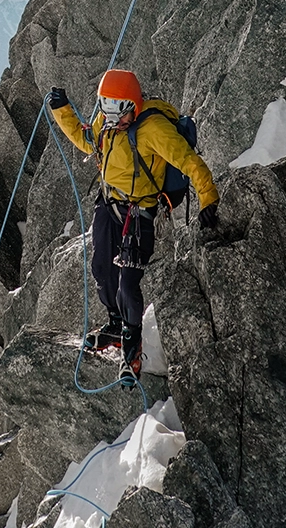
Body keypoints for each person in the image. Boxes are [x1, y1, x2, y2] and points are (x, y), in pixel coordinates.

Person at [47, 68, 219, 380]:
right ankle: (115, 325)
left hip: (139, 212)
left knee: (127, 282)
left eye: (120, 115)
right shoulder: (108, 121)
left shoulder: (153, 129)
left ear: (133, 106)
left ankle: (132, 345)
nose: (114, 122)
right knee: (102, 269)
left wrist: (208, 199)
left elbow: (190, 162)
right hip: (109, 202)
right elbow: (89, 141)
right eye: (109, 114)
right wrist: (62, 110)